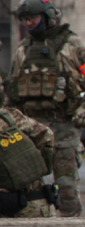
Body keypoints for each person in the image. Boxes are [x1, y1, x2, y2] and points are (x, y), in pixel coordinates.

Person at [5, 0, 85, 217]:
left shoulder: (72, 45)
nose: (28, 23)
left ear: (47, 16)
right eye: (25, 19)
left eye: (33, 18)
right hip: (29, 129)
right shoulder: (23, 49)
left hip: (63, 127)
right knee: (24, 185)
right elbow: (12, 92)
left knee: (66, 186)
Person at [0, 78, 57, 219]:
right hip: (42, 206)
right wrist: (36, 169)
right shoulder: (10, 116)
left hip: (12, 212)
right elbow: (47, 136)